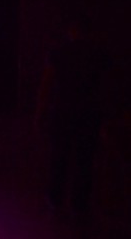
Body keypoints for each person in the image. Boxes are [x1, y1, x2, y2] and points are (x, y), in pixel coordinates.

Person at [36, 14, 109, 217]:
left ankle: (55, 199)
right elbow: (105, 88)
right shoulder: (99, 55)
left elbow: (46, 85)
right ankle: (80, 205)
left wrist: (40, 112)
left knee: (59, 157)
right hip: (89, 113)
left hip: (62, 111)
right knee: (84, 160)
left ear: (70, 30)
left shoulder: (58, 53)